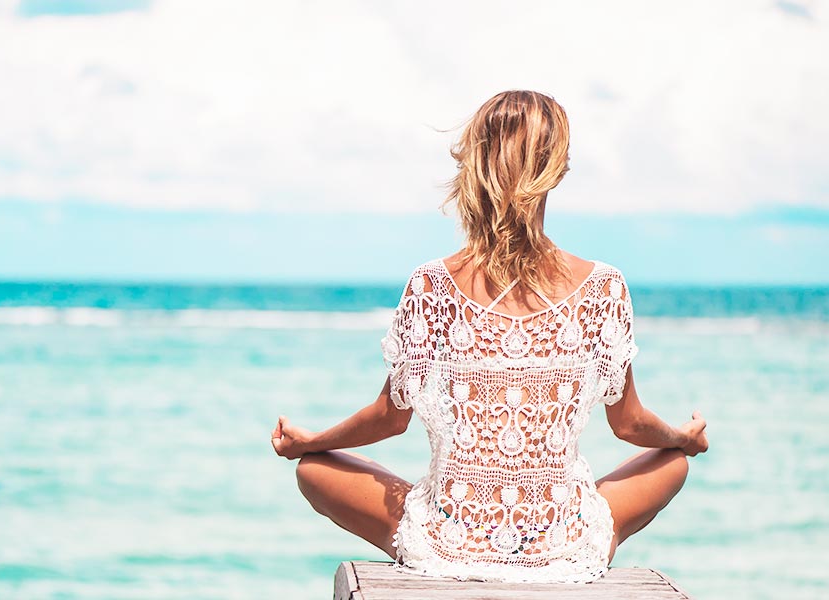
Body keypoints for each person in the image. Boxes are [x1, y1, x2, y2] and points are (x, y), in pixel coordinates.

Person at [270, 90, 709, 583]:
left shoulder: (431, 284)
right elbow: (630, 425)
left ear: (474, 164)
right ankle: (564, 542)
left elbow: (389, 420)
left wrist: (313, 441)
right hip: (560, 544)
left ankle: (461, 539)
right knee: (672, 463)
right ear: (558, 171)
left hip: (452, 541)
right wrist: (682, 438)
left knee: (312, 470)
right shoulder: (603, 286)